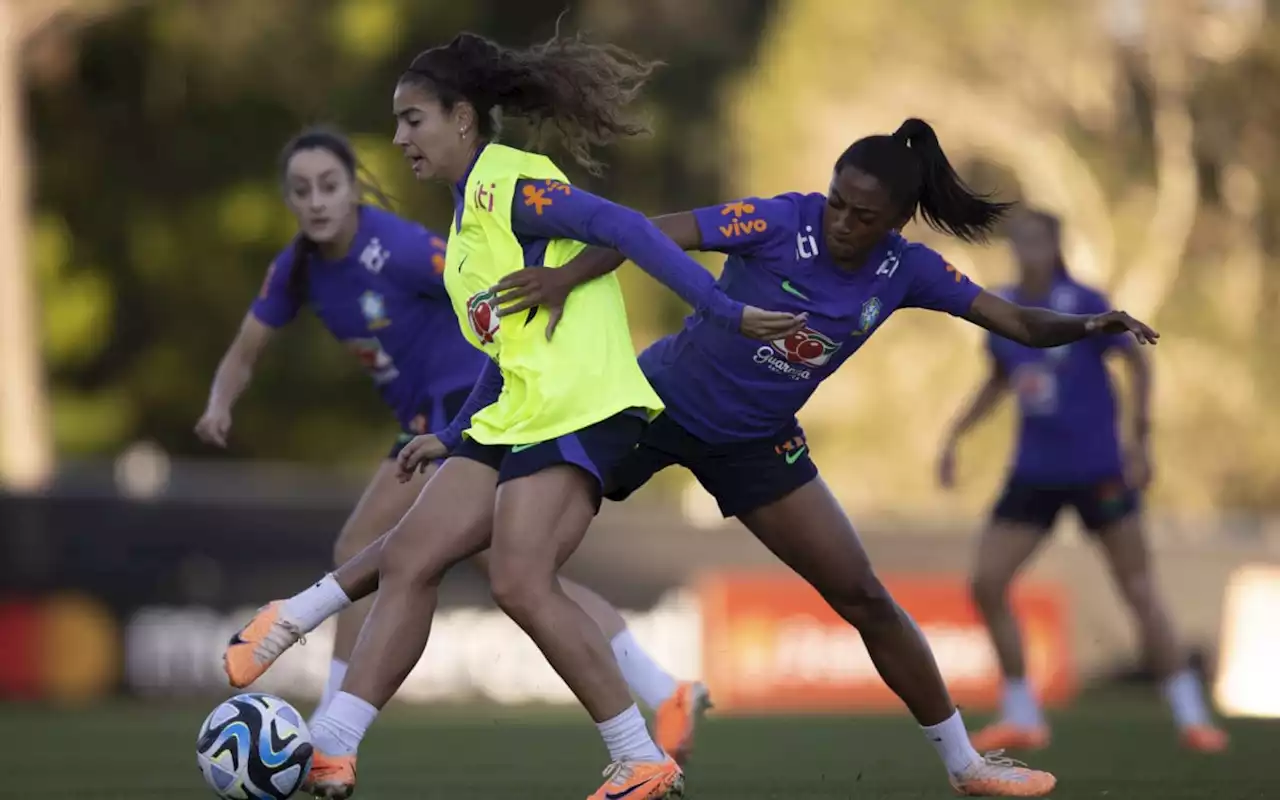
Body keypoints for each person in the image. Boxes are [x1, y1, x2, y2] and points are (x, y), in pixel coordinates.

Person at [410, 118, 1154, 796]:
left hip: (757, 440)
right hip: (652, 407)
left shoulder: (907, 271)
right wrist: (564, 277)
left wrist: (1093, 324)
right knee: (503, 545)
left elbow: (1018, 320)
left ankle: (968, 766)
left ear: (895, 221)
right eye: (836, 202)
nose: (840, 222)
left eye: (863, 216)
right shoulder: (776, 219)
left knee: (864, 595)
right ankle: (637, 728)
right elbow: (646, 232)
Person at [265, 32, 803, 800]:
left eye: (412, 119)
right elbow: (506, 354)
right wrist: (451, 437)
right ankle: (334, 746)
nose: (398, 138)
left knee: (519, 580)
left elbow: (626, 226)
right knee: (413, 554)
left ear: (462, 118)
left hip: (584, 407)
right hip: (520, 413)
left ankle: (639, 756)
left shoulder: (508, 184)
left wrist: (721, 307)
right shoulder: (463, 229)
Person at [202, 129, 715, 761]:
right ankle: (661, 690)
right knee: (505, 567)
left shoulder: (398, 246)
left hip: (466, 405)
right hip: (441, 416)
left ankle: (328, 712)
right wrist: (220, 400)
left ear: (354, 189)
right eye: (301, 190)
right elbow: (248, 346)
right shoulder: (297, 267)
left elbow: (485, 287)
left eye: (330, 186)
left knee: (379, 547)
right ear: (287, 198)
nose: (316, 202)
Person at [935, 209, 1227, 754]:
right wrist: (956, 435)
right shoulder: (1005, 309)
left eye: (1036, 240)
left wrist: (1140, 440)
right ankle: (1022, 713)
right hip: (1034, 472)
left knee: (1138, 588)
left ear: (1055, 245)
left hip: (1098, 469)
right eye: (1018, 240)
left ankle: (1191, 715)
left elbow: (1136, 365)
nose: (1026, 250)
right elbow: (998, 379)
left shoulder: (1087, 303)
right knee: (987, 582)